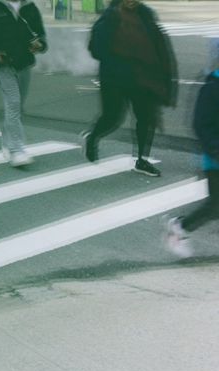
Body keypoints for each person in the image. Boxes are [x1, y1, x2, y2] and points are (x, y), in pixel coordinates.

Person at [83, 0, 177, 177]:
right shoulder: (109, 17)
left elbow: (160, 47)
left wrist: (165, 80)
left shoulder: (145, 15)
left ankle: (141, 160)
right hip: (115, 78)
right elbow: (95, 50)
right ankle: (93, 137)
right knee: (112, 117)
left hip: (142, 78)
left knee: (146, 118)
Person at [165, 39, 219, 258]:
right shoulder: (212, 88)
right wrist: (216, 150)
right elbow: (201, 125)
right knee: (215, 206)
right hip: (215, 160)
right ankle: (179, 227)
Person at [0, 0, 47, 167]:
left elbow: (40, 34)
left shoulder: (30, 7)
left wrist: (40, 45)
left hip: (25, 64)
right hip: (5, 65)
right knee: (13, 104)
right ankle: (16, 150)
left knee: (18, 107)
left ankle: (7, 138)